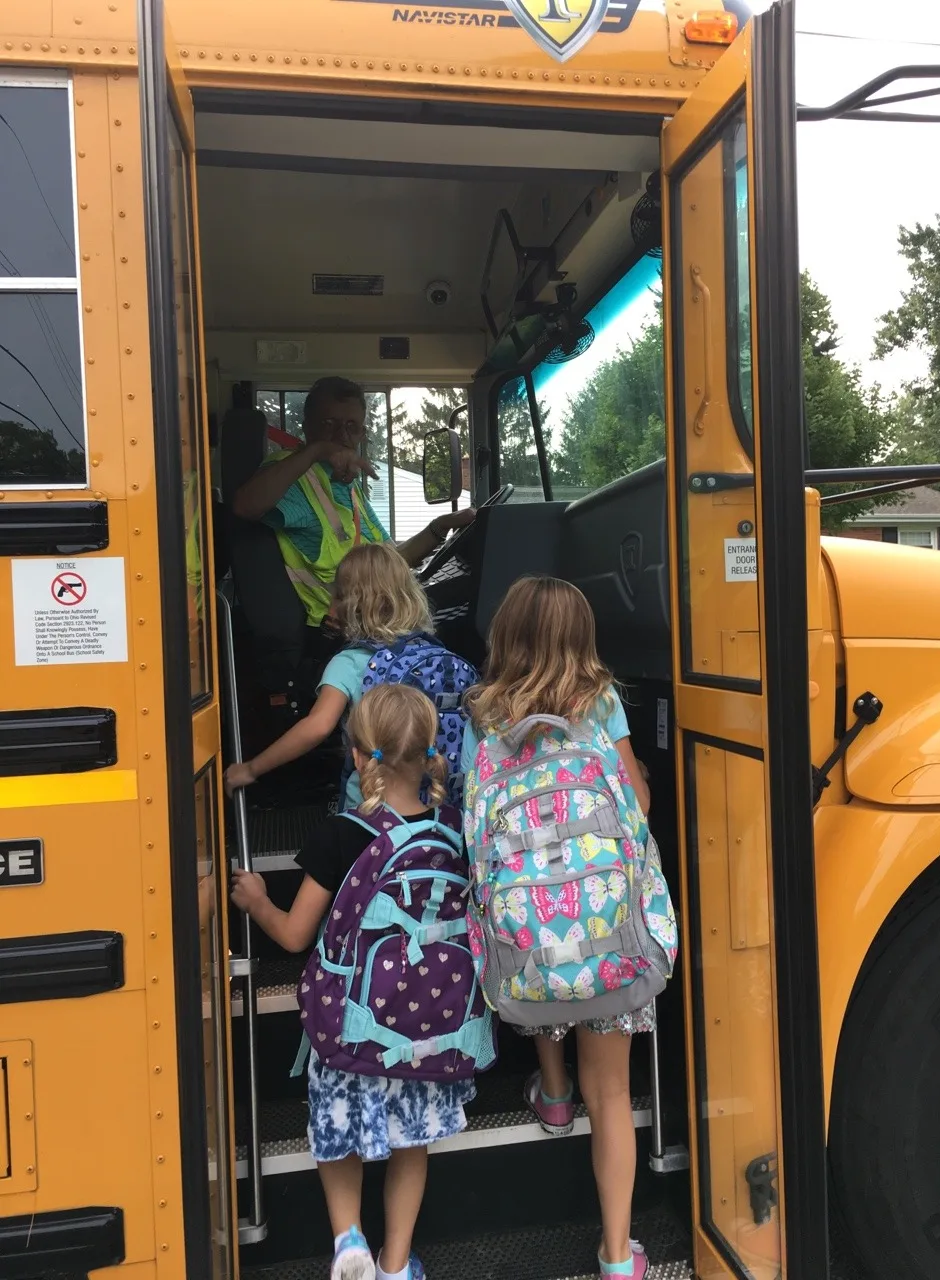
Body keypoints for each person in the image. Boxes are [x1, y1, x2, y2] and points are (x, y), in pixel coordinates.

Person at [231, 685, 479, 1280]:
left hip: (352, 1025)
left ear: (358, 754)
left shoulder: (338, 836)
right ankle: (396, 1264)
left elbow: (294, 936)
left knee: (338, 1135)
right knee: (411, 1144)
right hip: (431, 1029)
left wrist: (258, 900)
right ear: (428, 750)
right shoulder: (454, 831)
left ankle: (348, 1241)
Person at [461, 575, 653, 1280]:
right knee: (613, 1092)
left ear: (505, 637)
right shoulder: (600, 705)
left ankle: (551, 1093)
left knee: (541, 937)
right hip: (606, 930)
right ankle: (616, 1255)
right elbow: (633, 799)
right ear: (583, 639)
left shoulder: (482, 716)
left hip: (530, 936)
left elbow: (474, 821)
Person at [231, 376, 475, 653]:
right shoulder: (294, 475)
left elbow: (391, 558)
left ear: (361, 433)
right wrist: (317, 451)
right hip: (338, 631)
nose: (342, 436)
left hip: (374, 617)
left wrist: (439, 528)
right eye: (329, 424)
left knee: (462, 596)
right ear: (307, 425)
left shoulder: (344, 481)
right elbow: (244, 506)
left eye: (351, 426)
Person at [223, 542, 475, 808]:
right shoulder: (434, 653)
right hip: (439, 807)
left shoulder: (351, 662)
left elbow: (317, 727)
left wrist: (251, 768)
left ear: (350, 605)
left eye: (337, 596)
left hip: (371, 812)